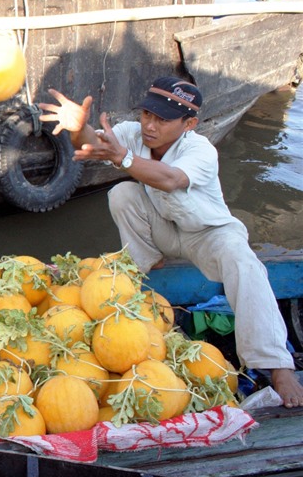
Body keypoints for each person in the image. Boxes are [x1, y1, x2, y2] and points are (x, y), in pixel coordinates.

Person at [37, 76, 303, 408]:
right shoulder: (135, 133)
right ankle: (149, 262)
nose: (150, 125)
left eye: (163, 119)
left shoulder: (199, 149)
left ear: (189, 123)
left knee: (243, 262)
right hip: (165, 231)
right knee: (122, 193)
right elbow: (95, 143)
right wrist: (80, 127)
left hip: (208, 234)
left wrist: (124, 159)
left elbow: (171, 179)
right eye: (148, 114)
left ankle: (278, 367)